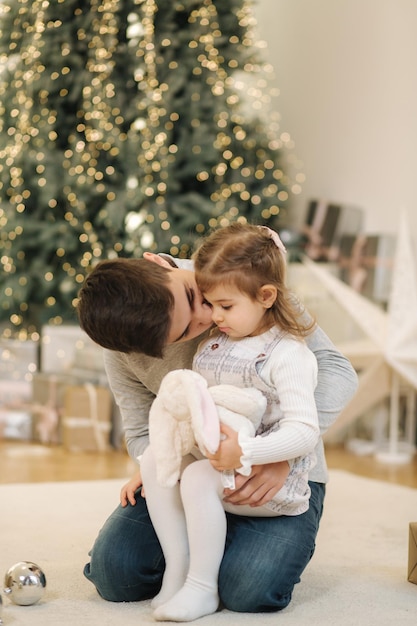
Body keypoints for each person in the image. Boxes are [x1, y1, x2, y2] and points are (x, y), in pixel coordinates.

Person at [76, 224, 358, 613]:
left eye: (195, 298)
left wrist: (276, 455)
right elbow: (142, 428)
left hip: (277, 470)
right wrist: (156, 458)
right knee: (115, 575)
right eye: (187, 329)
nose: (208, 316)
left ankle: (218, 553)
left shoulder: (238, 278)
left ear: (158, 263)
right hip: (196, 469)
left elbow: (336, 369)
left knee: (249, 590)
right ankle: (199, 547)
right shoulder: (124, 342)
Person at [140, 223, 320, 622]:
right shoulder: (216, 344)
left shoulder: (287, 353)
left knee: (200, 478)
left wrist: (249, 452)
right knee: (155, 458)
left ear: (266, 296)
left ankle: (203, 588)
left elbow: (304, 431)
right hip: (220, 458)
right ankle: (179, 569)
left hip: (267, 478)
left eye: (225, 306)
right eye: (209, 303)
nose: (213, 316)